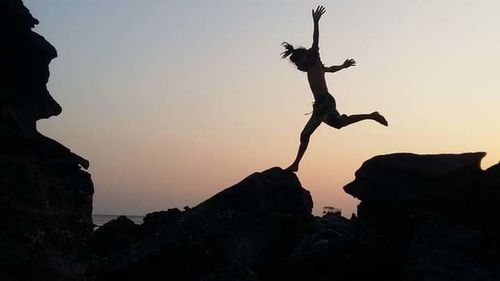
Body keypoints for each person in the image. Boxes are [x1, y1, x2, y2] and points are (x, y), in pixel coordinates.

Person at [282, 5, 388, 172]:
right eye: (297, 64)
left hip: (324, 102)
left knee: (305, 134)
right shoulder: (313, 68)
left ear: (305, 57)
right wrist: (343, 66)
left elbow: (315, 41)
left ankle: (295, 164)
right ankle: (371, 115)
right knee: (339, 124)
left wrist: (316, 22)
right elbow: (330, 69)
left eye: (299, 61)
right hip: (323, 103)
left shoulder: (314, 60)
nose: (299, 65)